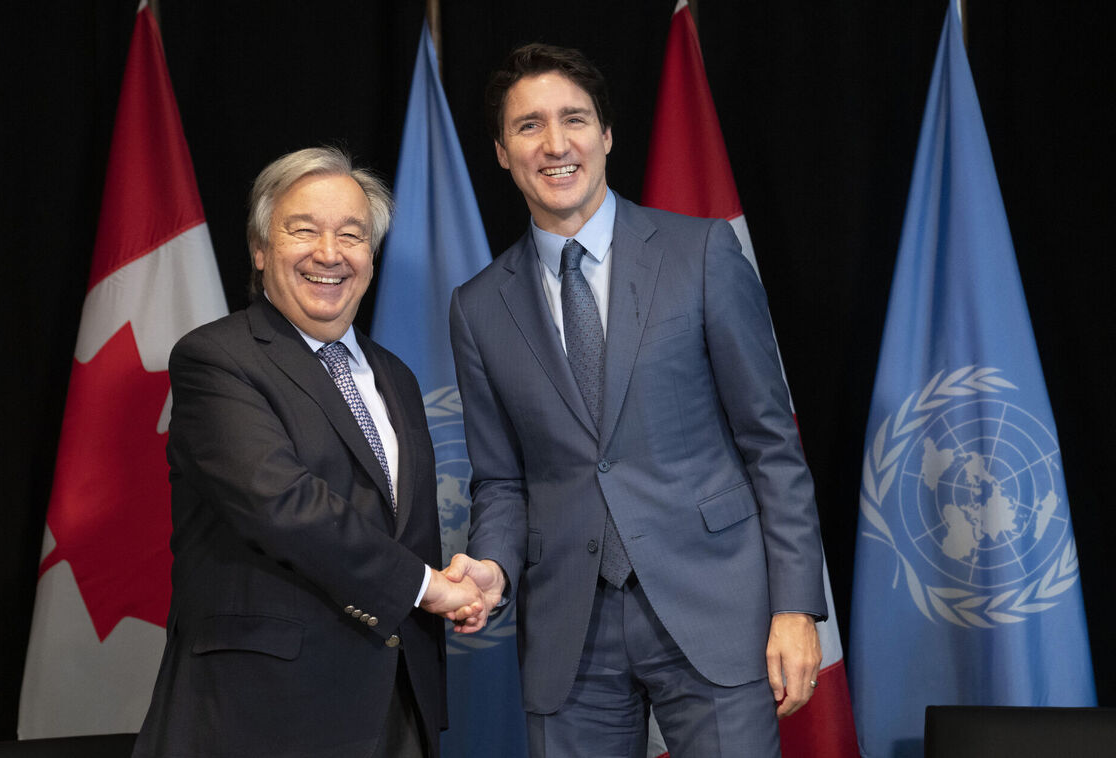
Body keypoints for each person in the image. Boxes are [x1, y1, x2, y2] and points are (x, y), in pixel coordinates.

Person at [444, 45, 826, 757]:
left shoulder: (702, 254)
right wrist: (491, 567)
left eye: (574, 120)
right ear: (501, 152)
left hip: (714, 610)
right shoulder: (477, 308)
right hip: (569, 632)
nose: (555, 144)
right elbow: (500, 478)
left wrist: (796, 606)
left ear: (607, 135)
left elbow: (771, 444)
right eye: (528, 126)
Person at [133, 146, 483, 758]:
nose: (329, 253)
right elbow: (282, 504)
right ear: (260, 250)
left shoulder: (394, 376)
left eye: (351, 235)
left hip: (397, 707)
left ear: (370, 260)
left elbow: (403, 527)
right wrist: (429, 587)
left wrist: (462, 579)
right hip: (264, 714)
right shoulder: (217, 358)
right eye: (304, 231)